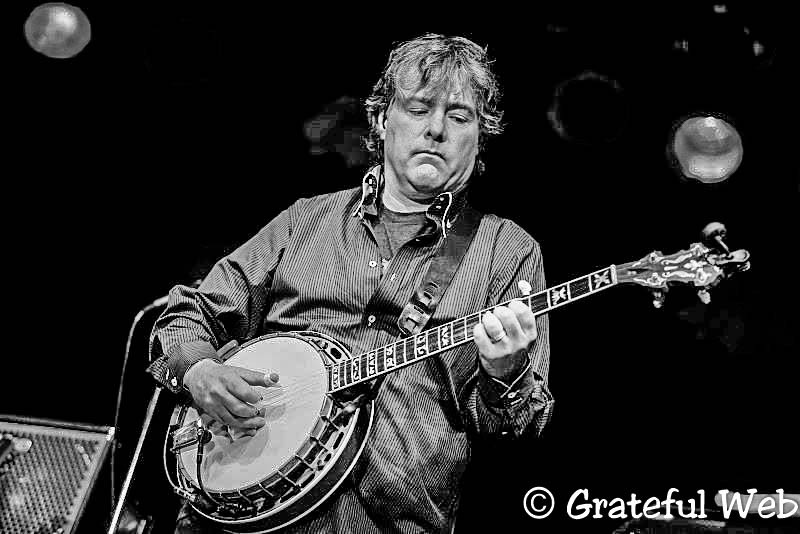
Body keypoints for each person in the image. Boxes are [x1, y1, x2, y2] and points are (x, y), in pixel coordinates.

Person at [147, 33, 554, 533]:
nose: (435, 130)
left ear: (480, 135)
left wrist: (504, 373)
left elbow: (521, 428)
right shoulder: (306, 221)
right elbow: (190, 312)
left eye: (459, 116)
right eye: (418, 108)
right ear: (383, 120)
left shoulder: (506, 251)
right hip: (238, 519)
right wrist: (199, 372)